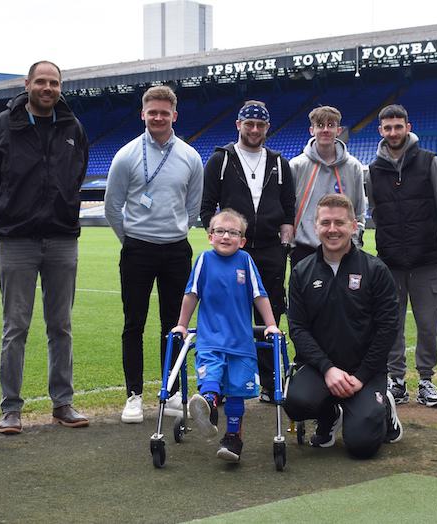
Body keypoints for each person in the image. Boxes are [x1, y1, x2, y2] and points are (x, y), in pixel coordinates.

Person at [0, 60, 91, 434]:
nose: (47, 88)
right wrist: (10, 216)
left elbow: (77, 173)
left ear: (60, 87)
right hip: (17, 241)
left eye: (54, 82)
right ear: (27, 84)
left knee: (61, 326)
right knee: (16, 327)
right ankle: (10, 407)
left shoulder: (72, 126)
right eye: (40, 81)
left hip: (61, 239)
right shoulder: (2, 125)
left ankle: (63, 403)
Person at [105, 86, 204, 423]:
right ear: (142, 114)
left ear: (174, 115)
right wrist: (132, 238)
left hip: (176, 249)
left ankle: (172, 390)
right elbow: (112, 206)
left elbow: (193, 208)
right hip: (138, 249)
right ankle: (133, 395)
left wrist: (173, 232)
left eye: (165, 112)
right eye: (153, 112)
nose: (158, 117)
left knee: (174, 325)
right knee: (133, 324)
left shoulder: (190, 156)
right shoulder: (127, 155)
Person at [283, 194, 402, 459]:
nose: (332, 229)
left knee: (361, 446)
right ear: (315, 226)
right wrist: (328, 369)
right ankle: (330, 413)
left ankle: (383, 408)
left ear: (354, 225)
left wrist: (360, 377)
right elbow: (298, 329)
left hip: (365, 371)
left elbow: (387, 329)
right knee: (296, 402)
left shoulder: (375, 269)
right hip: (321, 369)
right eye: (326, 223)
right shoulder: (302, 271)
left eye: (340, 222)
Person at [200, 100, 295, 403]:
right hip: (231, 251)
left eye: (260, 125)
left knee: (271, 312)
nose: (254, 129)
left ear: (267, 127)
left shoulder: (279, 162)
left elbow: (289, 207)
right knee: (230, 312)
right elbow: (206, 205)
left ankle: (270, 381)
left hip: (269, 248)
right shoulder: (221, 160)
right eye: (249, 123)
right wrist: (218, 236)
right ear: (238, 124)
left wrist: (285, 239)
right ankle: (225, 380)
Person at [174, 209, 281, 462]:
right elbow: (191, 294)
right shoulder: (204, 261)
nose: (225, 236)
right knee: (210, 375)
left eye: (233, 233)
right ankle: (209, 404)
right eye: (220, 231)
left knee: (236, 391)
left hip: (241, 343)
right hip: (210, 340)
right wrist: (181, 324)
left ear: (242, 240)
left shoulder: (245, 260)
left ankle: (233, 438)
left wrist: (271, 324)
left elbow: (259, 295)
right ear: (210, 236)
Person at [367, 104, 437, 408]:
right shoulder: (374, 170)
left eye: (397, 126)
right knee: (392, 324)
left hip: (427, 260)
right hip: (390, 262)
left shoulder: (429, 161)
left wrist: (424, 237)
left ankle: (426, 379)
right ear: (381, 131)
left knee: (429, 323)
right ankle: (397, 381)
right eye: (387, 128)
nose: (393, 132)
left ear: (407, 127)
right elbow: (375, 210)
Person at [288, 106, 366, 271]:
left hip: (344, 247)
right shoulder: (296, 165)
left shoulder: (354, 167)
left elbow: (359, 209)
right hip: (305, 248)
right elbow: (288, 208)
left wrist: (356, 237)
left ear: (338, 130)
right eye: (320, 125)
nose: (325, 130)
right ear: (312, 130)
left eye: (330, 125)